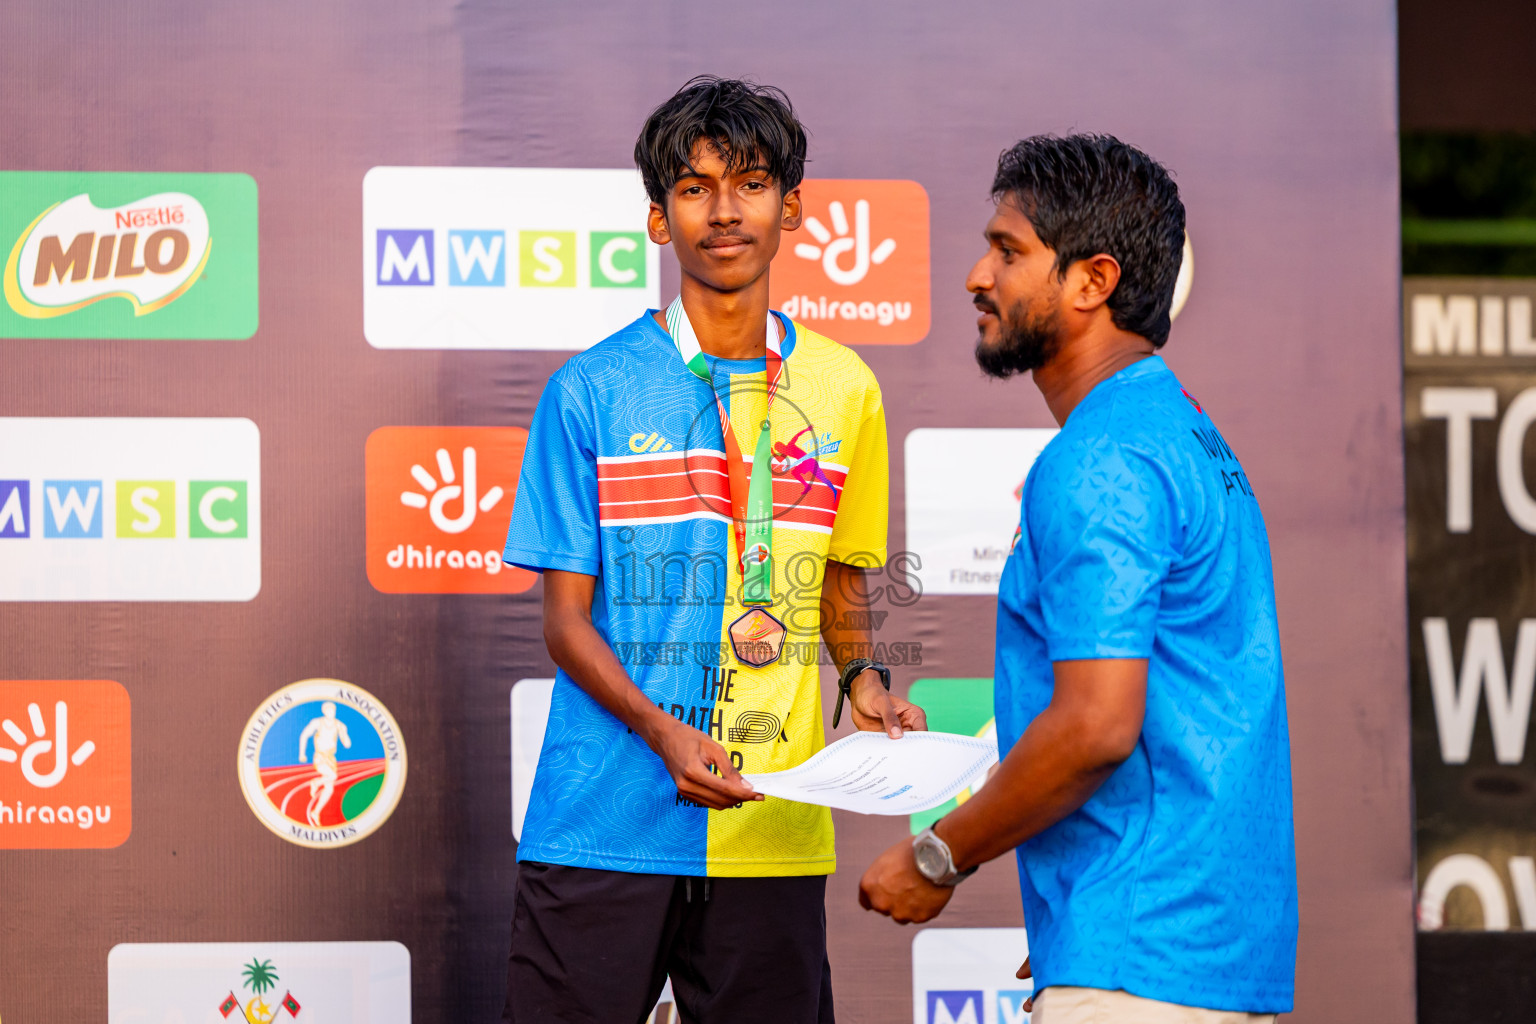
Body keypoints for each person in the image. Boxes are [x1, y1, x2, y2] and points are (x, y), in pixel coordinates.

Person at [501, 75, 926, 1024]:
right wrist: (663, 733)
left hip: (770, 823)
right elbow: (566, 625)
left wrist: (864, 682)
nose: (725, 212)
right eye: (695, 189)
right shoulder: (592, 388)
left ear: (793, 208)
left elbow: (840, 581)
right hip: (605, 818)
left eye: (752, 184)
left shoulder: (844, 386)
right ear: (660, 219)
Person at [858, 134, 1297, 1023]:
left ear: (1094, 281)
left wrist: (938, 855)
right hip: (1189, 945)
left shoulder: (1101, 457)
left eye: (1008, 252)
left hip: (1142, 957)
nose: (978, 276)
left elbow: (1096, 725)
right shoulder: (1181, 431)